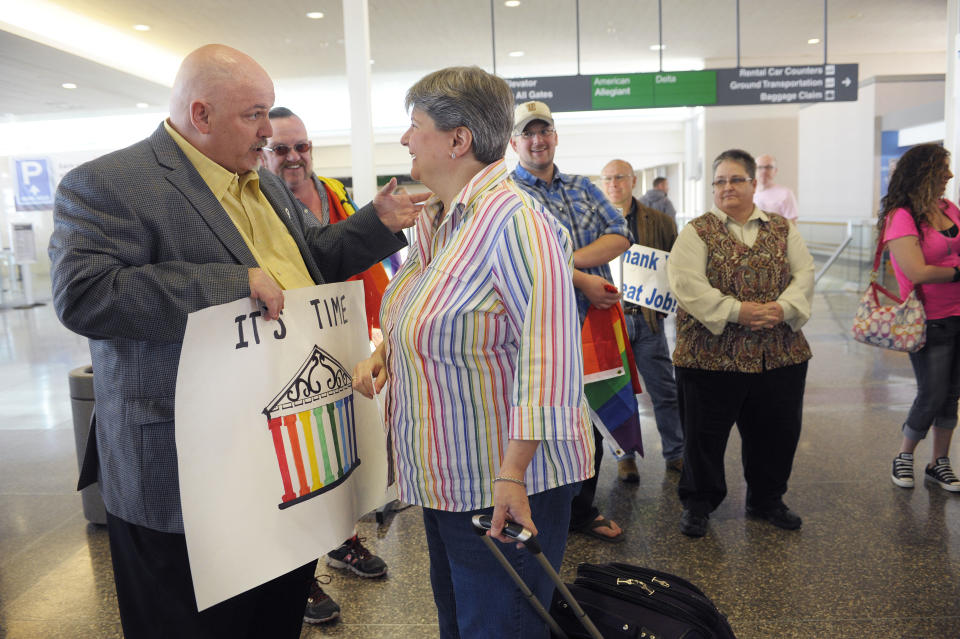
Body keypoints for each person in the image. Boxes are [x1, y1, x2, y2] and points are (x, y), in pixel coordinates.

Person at [48, 44, 425, 639]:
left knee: (272, 616)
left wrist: (375, 222)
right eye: (254, 114)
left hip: (278, 459)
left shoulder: (266, 187)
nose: (268, 132)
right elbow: (85, 295)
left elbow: (311, 262)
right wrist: (228, 285)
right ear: (201, 114)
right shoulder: (107, 184)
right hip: (181, 471)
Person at [353, 67, 593, 639]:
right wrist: (390, 351)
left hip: (502, 485)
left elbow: (550, 359)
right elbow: (429, 314)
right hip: (448, 477)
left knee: (500, 626)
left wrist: (512, 475)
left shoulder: (517, 223)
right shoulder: (440, 221)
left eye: (415, 127)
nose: (406, 140)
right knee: (462, 623)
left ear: (458, 140)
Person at [260, 106, 390, 623]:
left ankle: (344, 540)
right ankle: (301, 573)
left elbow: (358, 260)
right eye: (281, 148)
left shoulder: (334, 194)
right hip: (283, 351)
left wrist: (379, 327)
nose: (294, 157)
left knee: (343, 449)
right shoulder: (258, 203)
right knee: (296, 460)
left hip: (343, 337)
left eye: (302, 146)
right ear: (264, 149)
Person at [667, 149, 814, 538]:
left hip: (779, 355)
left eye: (735, 180)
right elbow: (685, 284)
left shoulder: (782, 229)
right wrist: (736, 311)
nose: (727, 187)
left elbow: (804, 273)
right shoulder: (696, 231)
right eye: (719, 181)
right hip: (708, 358)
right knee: (703, 437)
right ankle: (698, 503)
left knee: (776, 433)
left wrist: (782, 309)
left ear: (753, 184)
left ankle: (767, 499)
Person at [509, 100, 630, 543]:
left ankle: (579, 511)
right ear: (514, 142)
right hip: (535, 332)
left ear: (555, 136)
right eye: (528, 133)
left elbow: (620, 234)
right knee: (540, 420)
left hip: (591, 327)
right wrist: (581, 278)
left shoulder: (582, 186)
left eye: (544, 131)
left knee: (592, 421)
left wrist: (562, 264)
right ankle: (539, 507)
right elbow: (523, 261)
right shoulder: (507, 195)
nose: (537, 140)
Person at [882, 144, 960, 493]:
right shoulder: (902, 216)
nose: (949, 175)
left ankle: (938, 462)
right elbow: (915, 271)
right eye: (943, 168)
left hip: (959, 314)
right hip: (930, 319)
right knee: (931, 393)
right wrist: (957, 272)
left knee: (952, 394)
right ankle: (905, 455)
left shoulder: (948, 208)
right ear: (924, 170)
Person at [600, 159, 684, 482]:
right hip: (610, 320)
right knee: (618, 394)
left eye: (620, 177)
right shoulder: (593, 219)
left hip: (647, 320)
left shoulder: (659, 222)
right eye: (607, 178)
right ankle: (625, 457)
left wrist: (666, 300)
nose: (613, 184)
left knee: (664, 390)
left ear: (633, 180)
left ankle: (675, 452)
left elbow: (673, 266)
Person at [753, 154, 799, 223]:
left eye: (768, 167)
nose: (764, 171)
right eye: (759, 167)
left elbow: (792, 225)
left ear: (775, 171)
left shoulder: (786, 193)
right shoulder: (747, 193)